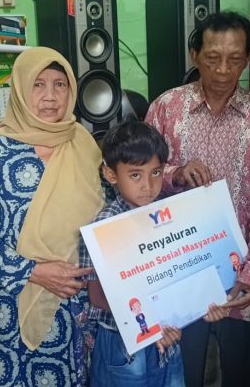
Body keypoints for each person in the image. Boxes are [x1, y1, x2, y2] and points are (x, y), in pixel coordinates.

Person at [146, 10, 250, 387]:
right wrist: (174, 174)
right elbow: (140, 179)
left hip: (240, 272)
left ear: (248, 58)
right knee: (182, 372)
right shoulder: (166, 108)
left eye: (235, 59)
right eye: (213, 58)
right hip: (179, 272)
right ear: (194, 55)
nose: (224, 70)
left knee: (238, 372)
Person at [0, 47, 104, 386]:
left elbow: (109, 216)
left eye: (59, 84)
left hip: (77, 306)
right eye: (38, 85)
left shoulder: (85, 145)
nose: (50, 96)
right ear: (21, 90)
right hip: (14, 304)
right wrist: (33, 271)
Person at [79, 118, 184, 387]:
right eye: (135, 175)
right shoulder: (103, 226)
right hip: (123, 342)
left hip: (167, 335)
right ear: (111, 174)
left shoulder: (168, 216)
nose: (148, 185)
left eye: (156, 172)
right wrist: (151, 323)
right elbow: (98, 297)